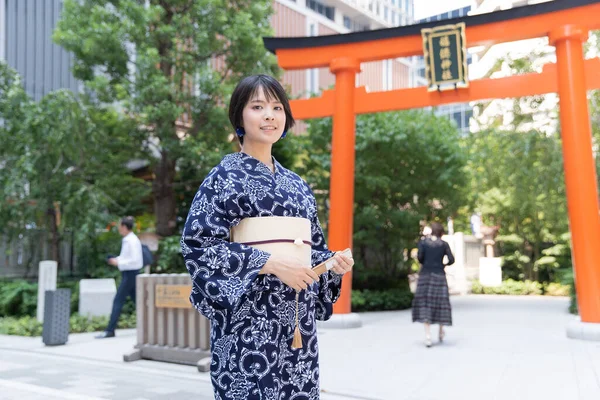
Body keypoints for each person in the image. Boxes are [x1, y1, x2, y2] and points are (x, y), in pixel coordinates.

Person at [180, 74, 354, 399]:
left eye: (277, 107)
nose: (270, 115)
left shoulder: (298, 186)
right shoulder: (224, 179)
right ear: (240, 117)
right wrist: (269, 263)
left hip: (297, 327)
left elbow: (311, 252)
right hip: (247, 325)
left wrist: (331, 264)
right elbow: (199, 247)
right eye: (258, 107)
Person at [96, 216, 143, 339]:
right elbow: (128, 258)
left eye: (119, 226)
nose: (118, 229)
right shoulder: (129, 239)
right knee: (138, 302)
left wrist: (119, 263)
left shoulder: (131, 240)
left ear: (124, 227)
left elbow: (135, 260)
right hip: (130, 273)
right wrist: (116, 260)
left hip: (130, 274)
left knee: (118, 301)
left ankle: (110, 330)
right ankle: (149, 325)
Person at [412, 222, 455, 347]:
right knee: (441, 303)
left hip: (425, 276)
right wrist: (443, 265)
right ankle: (441, 331)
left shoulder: (423, 243)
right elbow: (452, 259)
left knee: (426, 304)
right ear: (441, 232)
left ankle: (428, 336)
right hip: (439, 276)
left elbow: (420, 257)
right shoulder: (444, 244)